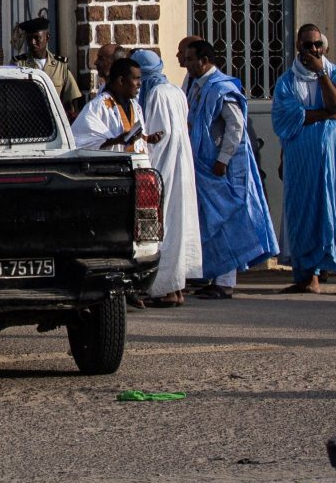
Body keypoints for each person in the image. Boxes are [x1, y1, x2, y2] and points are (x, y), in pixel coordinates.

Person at [179, 37, 276, 299]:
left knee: (226, 220)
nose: (186, 64)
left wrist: (223, 159)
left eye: (190, 59)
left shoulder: (221, 88)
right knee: (210, 221)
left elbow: (235, 126)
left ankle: (225, 281)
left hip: (220, 168)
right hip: (203, 166)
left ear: (205, 61)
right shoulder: (196, 86)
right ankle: (213, 274)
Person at [270, 25, 336, 294]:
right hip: (301, 158)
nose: (314, 50)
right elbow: (287, 120)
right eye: (308, 46)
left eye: (317, 45)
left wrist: (321, 73)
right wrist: (325, 114)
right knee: (305, 209)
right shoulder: (287, 82)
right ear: (298, 47)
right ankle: (309, 277)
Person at [128, 49, 201, 307]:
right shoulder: (175, 91)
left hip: (165, 168)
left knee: (164, 227)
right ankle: (176, 288)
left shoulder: (157, 94)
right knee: (175, 224)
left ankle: (165, 290)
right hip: (180, 167)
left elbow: (158, 138)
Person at [69, 54, 147, 152]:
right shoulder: (97, 106)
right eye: (136, 78)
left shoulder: (135, 106)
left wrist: (148, 138)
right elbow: (79, 142)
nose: (139, 83)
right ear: (121, 80)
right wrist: (115, 141)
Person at [17, 16, 81, 116]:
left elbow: (72, 98)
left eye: (37, 38)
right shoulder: (19, 65)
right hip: (28, 120)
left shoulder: (60, 66)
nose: (33, 42)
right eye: (29, 39)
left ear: (47, 37)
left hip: (54, 121)